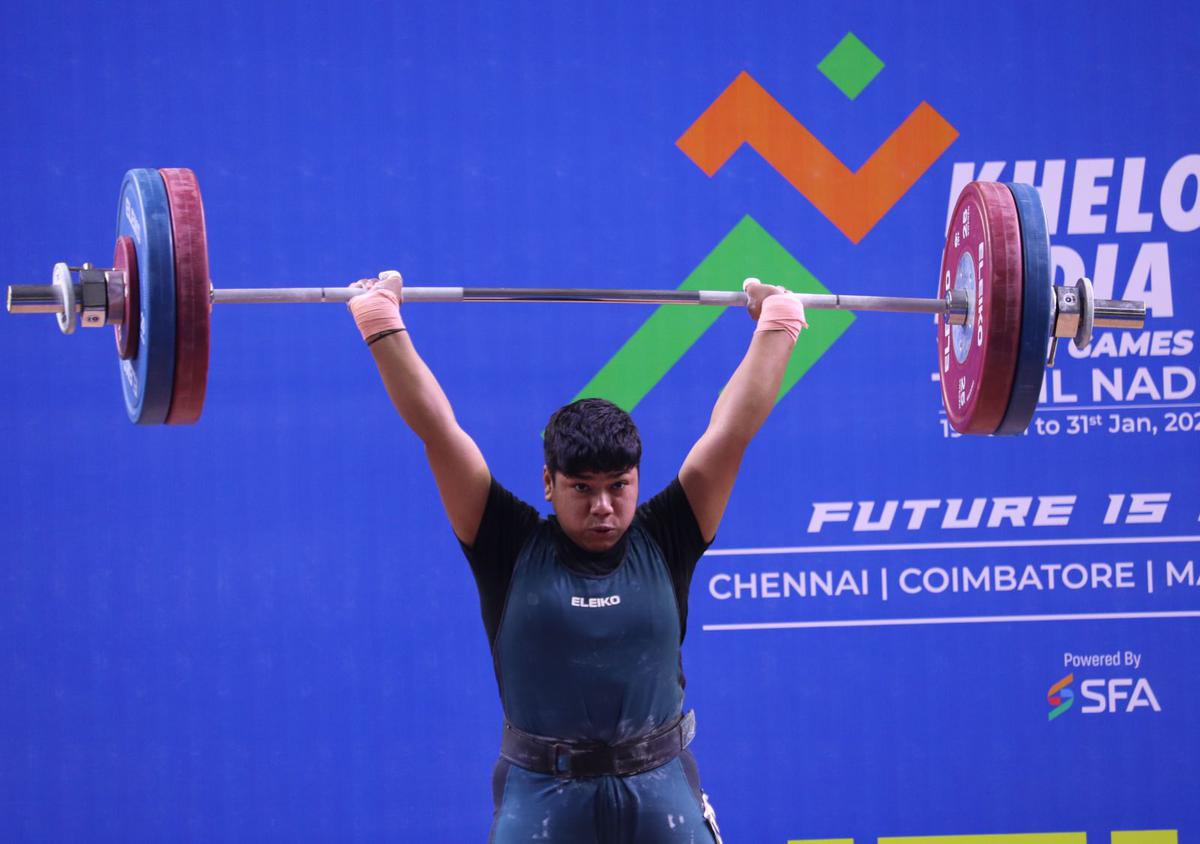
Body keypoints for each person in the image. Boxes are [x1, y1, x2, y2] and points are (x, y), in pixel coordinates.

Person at [347, 271, 806, 843]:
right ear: (549, 483)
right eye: (582, 489)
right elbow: (439, 431)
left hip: (660, 786)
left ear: (638, 479)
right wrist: (380, 320)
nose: (604, 507)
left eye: (619, 486)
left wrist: (780, 322)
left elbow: (733, 429)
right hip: (541, 794)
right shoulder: (505, 541)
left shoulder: (668, 533)